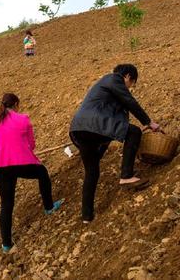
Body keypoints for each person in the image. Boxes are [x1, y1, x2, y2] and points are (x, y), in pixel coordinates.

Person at [0, 93, 64, 253]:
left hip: (1, 166)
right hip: (22, 163)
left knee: (7, 204)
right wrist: (23, 148)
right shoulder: (24, 119)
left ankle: (7, 244)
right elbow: (32, 145)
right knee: (42, 172)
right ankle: (48, 207)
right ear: (16, 104)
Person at [69, 64, 161, 223]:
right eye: (132, 83)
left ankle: (87, 216)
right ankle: (126, 176)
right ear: (127, 76)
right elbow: (129, 101)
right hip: (93, 125)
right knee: (134, 132)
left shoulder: (103, 88)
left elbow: (108, 133)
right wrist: (148, 122)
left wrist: (98, 153)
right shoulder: (114, 79)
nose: (130, 87)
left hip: (79, 129)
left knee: (92, 171)